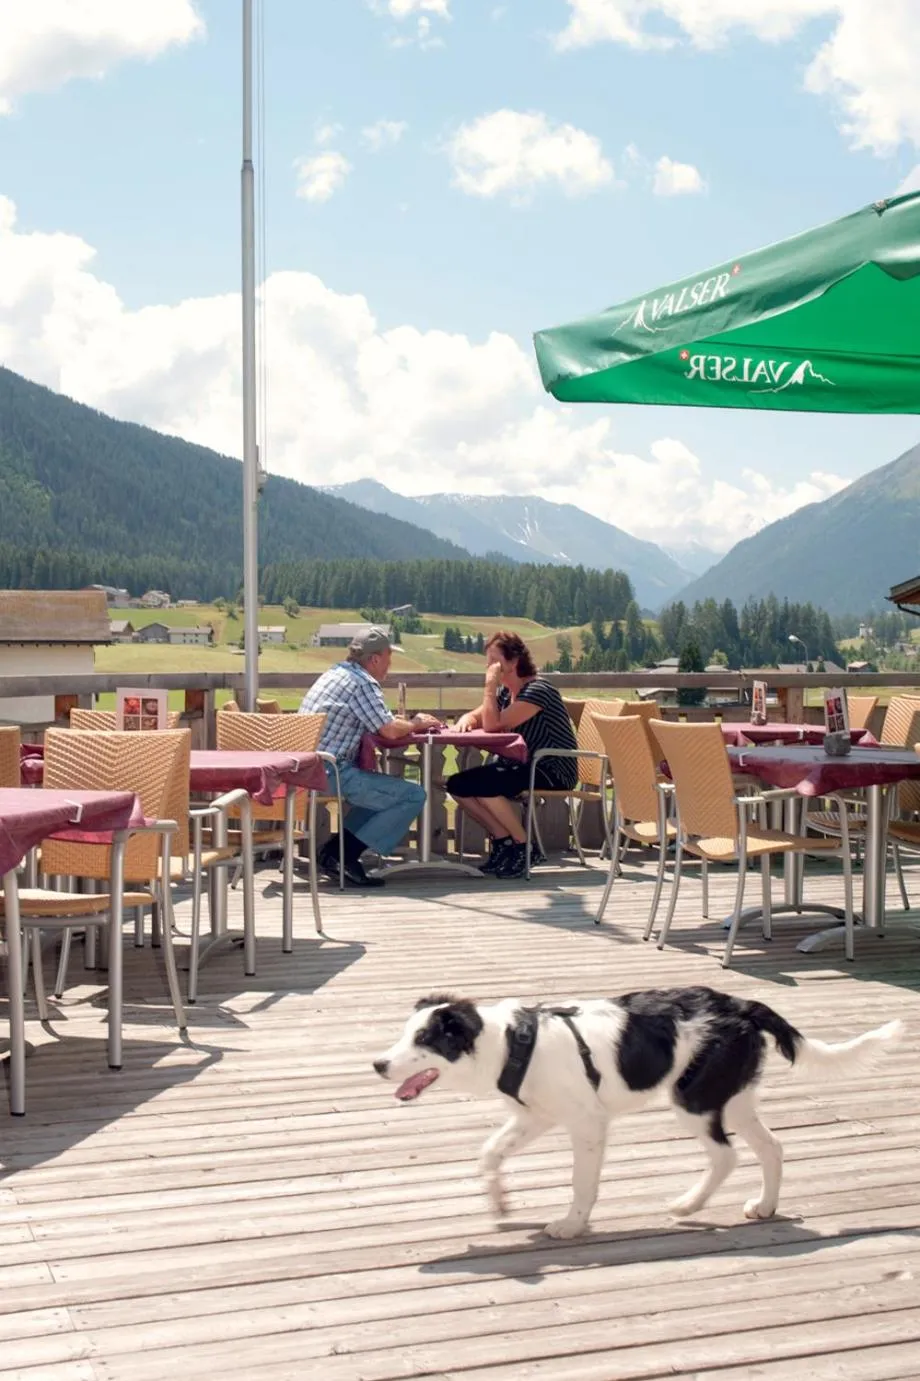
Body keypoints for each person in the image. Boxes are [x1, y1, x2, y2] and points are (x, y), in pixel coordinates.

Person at [299, 627, 440, 886]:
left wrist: (404, 723)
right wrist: (417, 723)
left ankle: (334, 852)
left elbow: (379, 720)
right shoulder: (362, 683)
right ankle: (344, 855)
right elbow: (388, 729)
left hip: (307, 767)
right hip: (330, 771)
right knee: (413, 795)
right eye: (388, 657)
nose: (390, 664)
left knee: (380, 795)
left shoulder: (336, 673)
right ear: (374, 659)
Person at [446, 630, 578, 879]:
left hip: (551, 768)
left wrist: (489, 686)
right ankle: (504, 841)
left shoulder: (538, 690)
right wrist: (466, 718)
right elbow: (480, 716)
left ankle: (525, 847)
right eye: (489, 662)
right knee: (457, 785)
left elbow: (493, 724)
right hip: (521, 766)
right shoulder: (507, 693)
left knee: (485, 785)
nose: (490, 668)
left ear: (514, 661)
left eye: (495, 661)